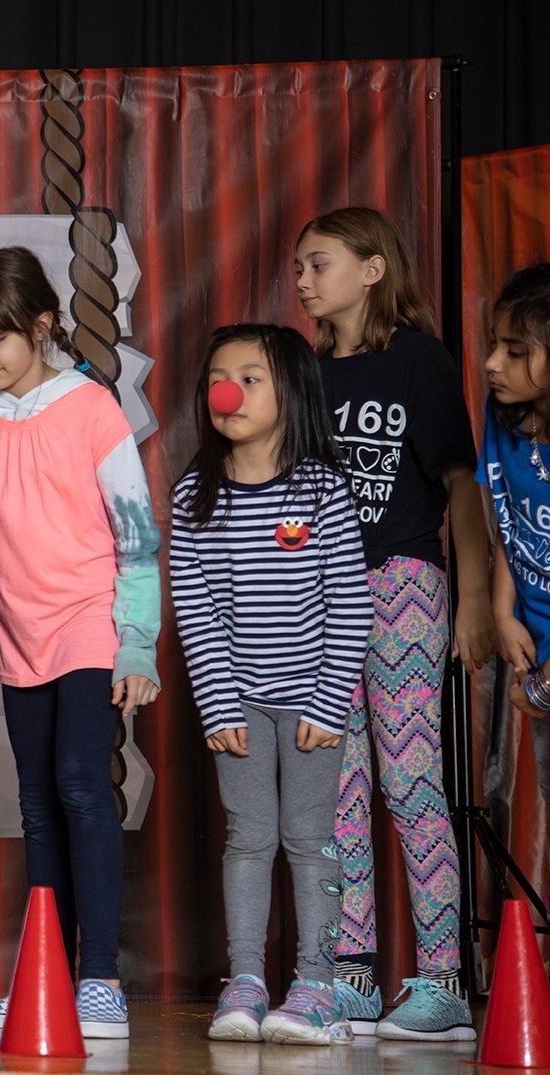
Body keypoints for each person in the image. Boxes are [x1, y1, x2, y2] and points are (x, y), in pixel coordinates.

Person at [0, 247, 160, 1038]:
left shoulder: (91, 409)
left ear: (42, 327)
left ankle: (97, 980)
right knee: (36, 804)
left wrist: (137, 644)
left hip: (91, 620)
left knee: (82, 784)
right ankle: (42, 977)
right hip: (19, 637)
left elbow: (138, 537)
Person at [296, 207, 486, 1040]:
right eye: (298, 267)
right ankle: (351, 975)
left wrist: (474, 598)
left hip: (403, 581)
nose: (302, 280)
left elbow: (458, 482)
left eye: (318, 263)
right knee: (334, 790)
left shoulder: (419, 359)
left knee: (408, 784)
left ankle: (440, 980)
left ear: (373, 269)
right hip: (320, 597)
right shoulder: (300, 371)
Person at [172, 323, 370, 1045]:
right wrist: (218, 701)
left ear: (290, 390)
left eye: (250, 377)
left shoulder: (322, 488)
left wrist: (327, 698)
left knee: (309, 835)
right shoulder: (194, 493)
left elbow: (350, 602)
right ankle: (246, 978)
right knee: (248, 836)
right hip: (239, 703)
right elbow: (193, 608)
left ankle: (316, 984)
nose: (229, 391)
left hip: (314, 700)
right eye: (220, 377)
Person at [477, 263, 550, 814]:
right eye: (494, 345)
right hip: (537, 653)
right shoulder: (503, 417)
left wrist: (543, 689)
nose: (491, 363)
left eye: (515, 351)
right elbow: (508, 521)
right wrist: (503, 614)